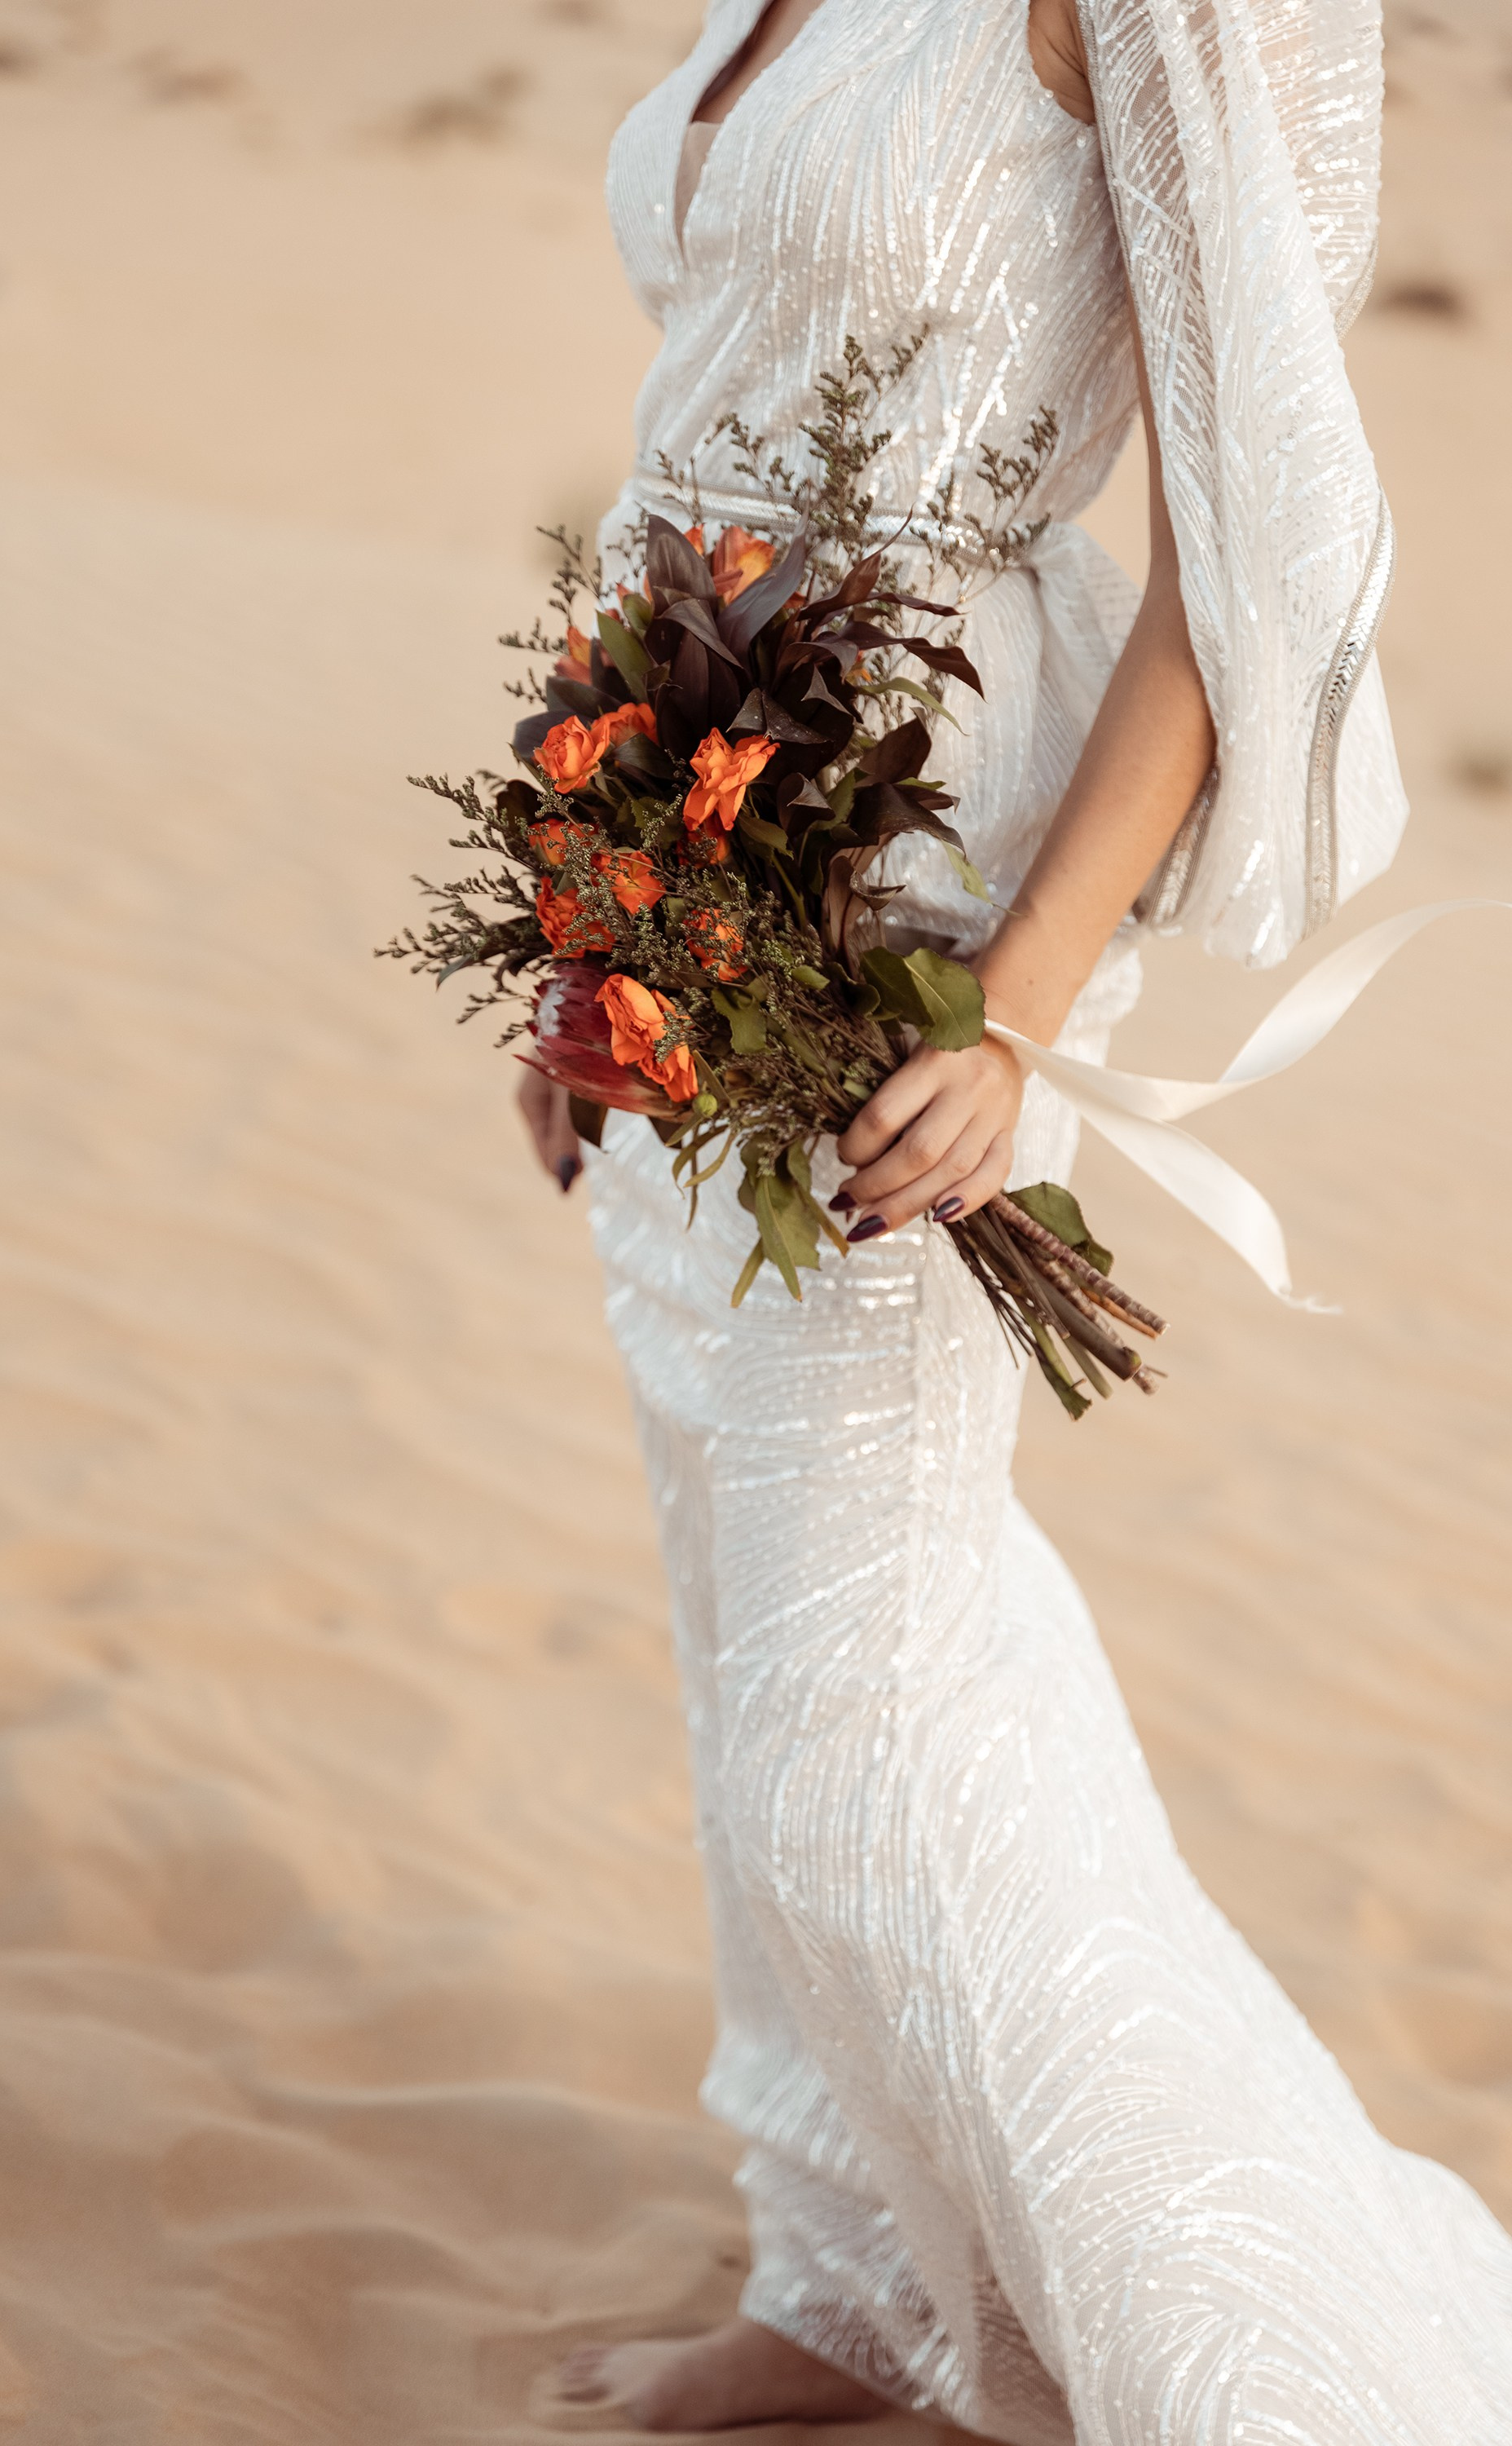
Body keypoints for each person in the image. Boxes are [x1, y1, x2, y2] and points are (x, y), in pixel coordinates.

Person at [521, 0, 1512, 2433]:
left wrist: (1025, 1008)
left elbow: (1242, 541)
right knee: (738, 1594)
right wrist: (585, 941)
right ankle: (845, 2274)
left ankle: (1295, 2367)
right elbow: (702, 442)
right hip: (688, 831)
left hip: (927, 877)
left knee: (863, 1696)